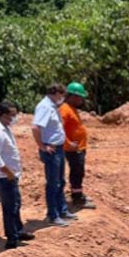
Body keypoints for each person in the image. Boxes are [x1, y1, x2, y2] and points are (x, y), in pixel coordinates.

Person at [0, 102, 34, 249]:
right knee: (10, 207)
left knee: (16, 204)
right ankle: (12, 239)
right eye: (13, 115)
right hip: (4, 176)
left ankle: (18, 231)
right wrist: (8, 172)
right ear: (4, 115)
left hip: (9, 175)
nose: (15, 118)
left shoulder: (3, 127)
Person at [32, 83, 76, 226]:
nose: (62, 98)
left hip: (58, 148)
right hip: (51, 150)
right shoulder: (44, 106)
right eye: (62, 95)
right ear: (56, 93)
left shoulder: (51, 106)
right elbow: (35, 127)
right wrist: (42, 146)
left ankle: (62, 210)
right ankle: (53, 215)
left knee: (60, 181)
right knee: (53, 183)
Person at [59, 81, 95, 209]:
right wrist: (68, 143)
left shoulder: (71, 109)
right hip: (72, 149)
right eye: (80, 97)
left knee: (78, 172)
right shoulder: (65, 109)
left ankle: (78, 195)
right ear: (73, 97)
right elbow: (59, 128)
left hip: (78, 148)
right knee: (77, 172)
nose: (82, 100)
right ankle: (77, 199)